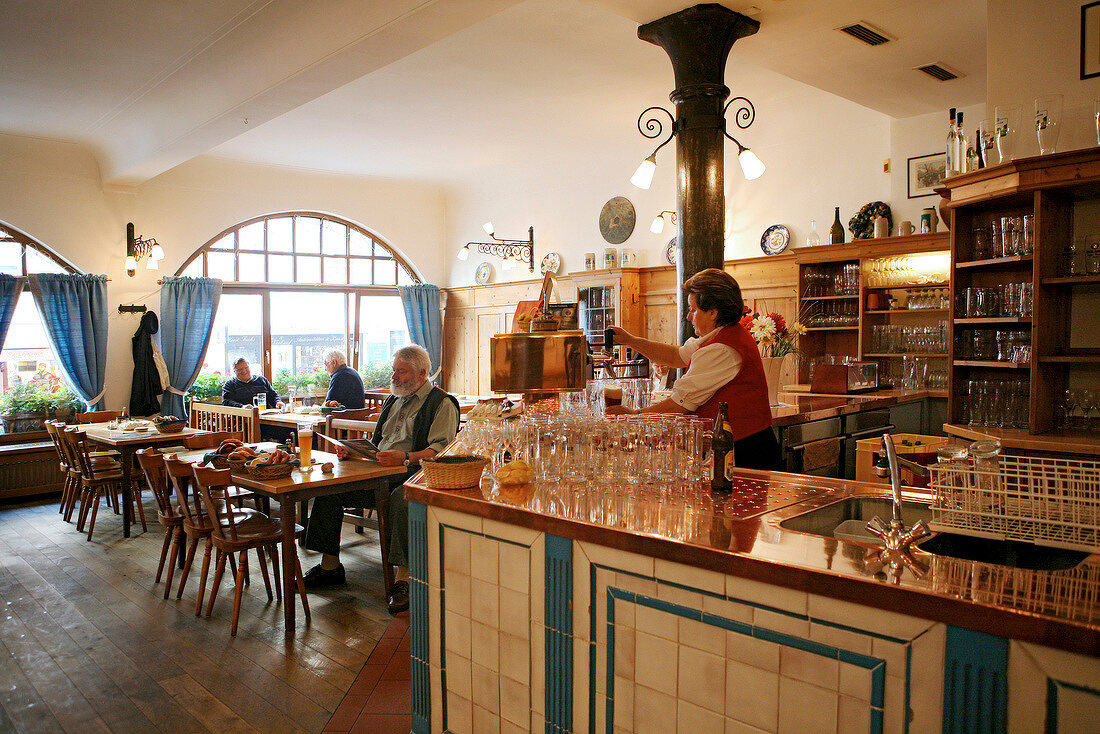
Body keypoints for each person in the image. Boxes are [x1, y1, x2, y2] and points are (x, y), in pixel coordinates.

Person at [303, 344, 459, 614]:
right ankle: (330, 566)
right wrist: (352, 451)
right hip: (381, 471)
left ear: (422, 373)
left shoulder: (441, 403)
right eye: (394, 370)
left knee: (403, 498)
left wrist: (406, 457)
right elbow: (377, 442)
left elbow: (441, 451)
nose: (395, 377)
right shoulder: (393, 399)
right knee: (330, 490)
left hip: (417, 473)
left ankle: (405, 577)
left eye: (402, 372)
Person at [608, 268, 780, 471]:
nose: (689, 316)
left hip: (744, 452)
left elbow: (679, 405)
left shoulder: (722, 349)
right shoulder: (721, 335)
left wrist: (634, 416)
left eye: (693, 309)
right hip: (738, 446)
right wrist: (630, 340)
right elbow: (675, 356)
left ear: (713, 312)